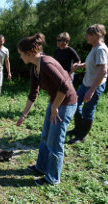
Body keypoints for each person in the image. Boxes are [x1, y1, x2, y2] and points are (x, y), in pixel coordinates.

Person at [16, 33, 77, 186]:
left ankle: (52, 178)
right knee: (45, 137)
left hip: (66, 103)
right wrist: (24, 115)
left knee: (55, 142)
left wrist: (55, 107)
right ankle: (41, 167)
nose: (20, 57)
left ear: (29, 53)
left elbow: (64, 85)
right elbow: (33, 94)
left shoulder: (47, 63)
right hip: (55, 102)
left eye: (21, 54)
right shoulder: (35, 68)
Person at [68, 24, 108, 144]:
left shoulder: (101, 49)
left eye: (88, 35)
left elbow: (103, 70)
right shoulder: (94, 47)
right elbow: (92, 62)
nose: (86, 37)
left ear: (97, 35)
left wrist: (92, 90)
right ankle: (77, 130)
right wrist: (81, 65)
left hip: (94, 86)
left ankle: (81, 137)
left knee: (88, 111)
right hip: (86, 84)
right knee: (75, 104)